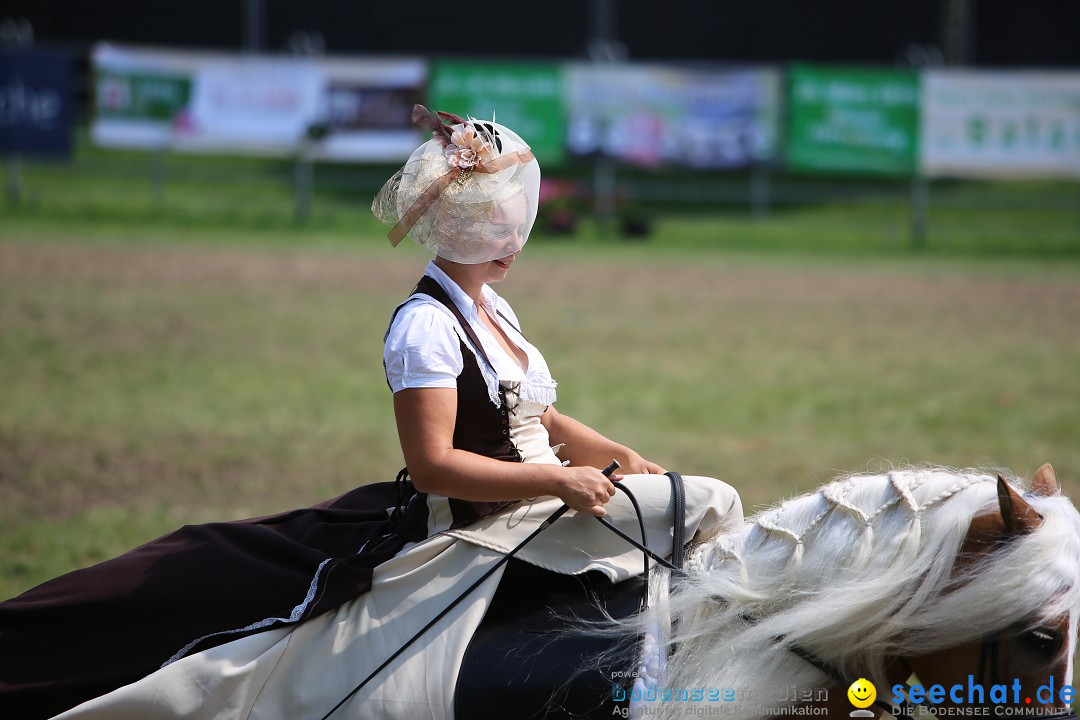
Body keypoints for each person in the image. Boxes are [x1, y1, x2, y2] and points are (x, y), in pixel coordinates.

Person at [0, 107, 740, 720]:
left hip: (538, 499)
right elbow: (433, 466)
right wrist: (560, 485)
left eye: (512, 217)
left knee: (691, 499)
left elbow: (537, 417)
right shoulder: (424, 325)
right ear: (455, 227)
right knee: (702, 504)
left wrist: (615, 449)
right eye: (493, 221)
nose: (511, 239)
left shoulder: (494, 307)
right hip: (476, 526)